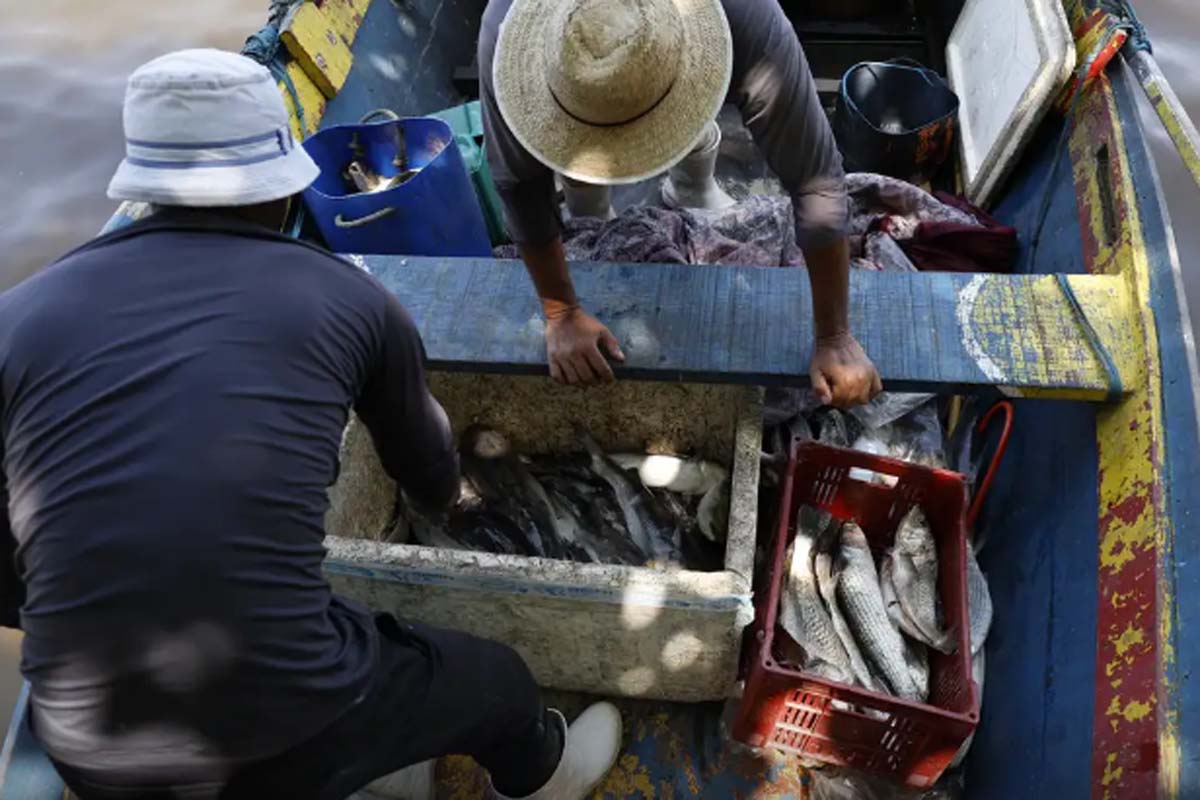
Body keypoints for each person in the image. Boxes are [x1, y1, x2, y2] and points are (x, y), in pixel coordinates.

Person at [0, 49, 620, 799]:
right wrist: (455, 502)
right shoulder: (351, 299)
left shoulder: (19, 314)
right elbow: (427, 475)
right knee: (501, 684)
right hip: (288, 723)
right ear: (280, 191)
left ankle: (377, 758)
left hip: (85, 746)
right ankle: (542, 777)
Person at [479, 0, 883, 404]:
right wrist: (561, 312)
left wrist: (834, 335)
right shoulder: (505, 40)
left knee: (675, 114)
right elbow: (519, 187)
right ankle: (590, 205)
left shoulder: (748, 17)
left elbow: (817, 181)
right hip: (571, 108)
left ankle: (691, 186)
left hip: (691, 60)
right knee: (579, 170)